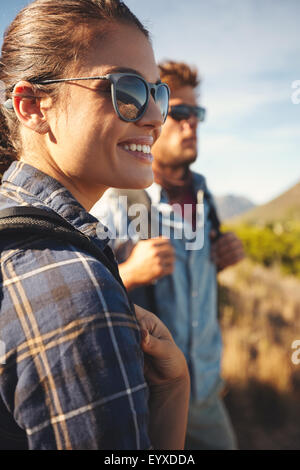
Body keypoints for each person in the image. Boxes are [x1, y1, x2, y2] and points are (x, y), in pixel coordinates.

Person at [0, 1, 190, 450]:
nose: (153, 118)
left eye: (155, 93)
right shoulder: (74, 288)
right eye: (125, 90)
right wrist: (174, 392)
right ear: (32, 106)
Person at [91, 60, 245, 450]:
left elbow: (193, 287)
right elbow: (79, 298)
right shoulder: (118, 200)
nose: (191, 124)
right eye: (180, 112)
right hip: (148, 400)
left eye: (198, 114)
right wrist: (129, 273)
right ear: (155, 118)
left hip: (208, 390)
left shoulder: (202, 197)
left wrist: (220, 258)